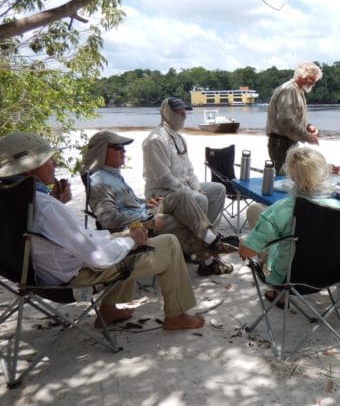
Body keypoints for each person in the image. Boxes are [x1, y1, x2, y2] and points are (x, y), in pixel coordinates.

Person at [0, 132, 203, 330]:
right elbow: (98, 258)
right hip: (73, 278)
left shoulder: (14, 199)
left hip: (39, 274)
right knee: (167, 243)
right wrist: (132, 240)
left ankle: (109, 310)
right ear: (28, 169)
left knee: (124, 238)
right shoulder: (46, 206)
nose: (55, 164)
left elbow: (42, 231)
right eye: (48, 160)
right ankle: (176, 316)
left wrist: (58, 202)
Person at [81, 130, 235, 276]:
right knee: (182, 221)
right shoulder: (99, 182)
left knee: (181, 196)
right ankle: (208, 261)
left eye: (123, 147)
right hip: (138, 226)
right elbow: (109, 219)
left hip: (145, 212)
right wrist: (149, 222)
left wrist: (146, 203)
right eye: (118, 147)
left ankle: (211, 241)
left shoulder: (111, 174)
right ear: (102, 151)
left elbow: (128, 204)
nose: (124, 151)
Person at [238, 147, 340, 305]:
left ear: (292, 177)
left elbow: (247, 251)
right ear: (323, 173)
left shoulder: (283, 209)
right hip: (330, 274)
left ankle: (279, 293)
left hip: (288, 277)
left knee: (257, 213)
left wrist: (243, 243)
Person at [142, 97, 236, 276]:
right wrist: (191, 192)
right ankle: (205, 254)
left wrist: (196, 185)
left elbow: (189, 168)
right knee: (198, 198)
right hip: (161, 193)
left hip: (184, 188)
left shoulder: (179, 138)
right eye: (179, 112)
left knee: (217, 190)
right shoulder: (155, 140)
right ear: (167, 113)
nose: (184, 115)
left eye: (184, 111)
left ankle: (208, 242)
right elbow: (164, 178)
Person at [266, 62, 322, 174]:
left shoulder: (298, 90)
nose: (314, 83)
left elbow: (294, 117)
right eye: (312, 79)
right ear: (302, 75)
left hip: (288, 141)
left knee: (291, 177)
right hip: (280, 143)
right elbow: (286, 121)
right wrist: (308, 137)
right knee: (284, 178)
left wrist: (307, 126)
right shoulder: (289, 89)